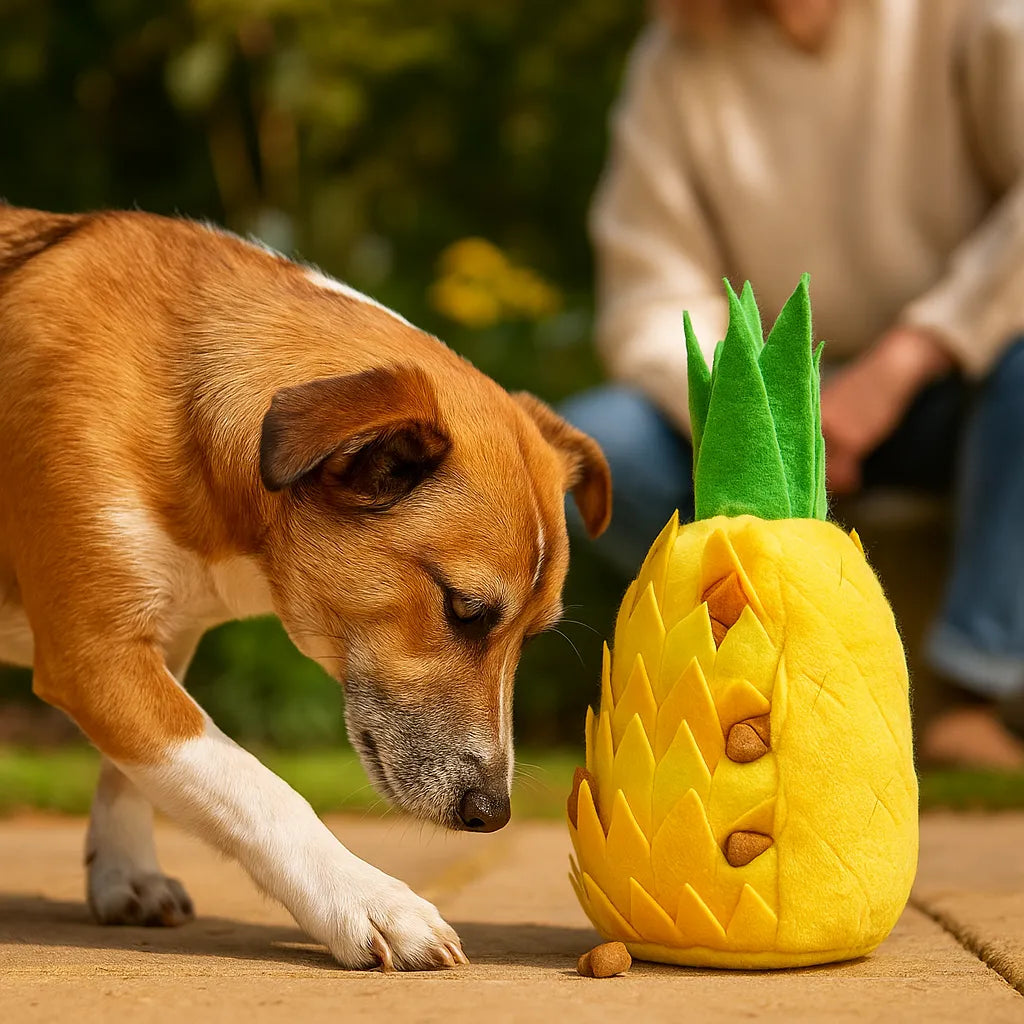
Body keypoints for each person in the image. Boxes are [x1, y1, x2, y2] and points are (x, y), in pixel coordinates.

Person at [562, 0, 1024, 768]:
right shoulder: (675, 63)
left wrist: (912, 354)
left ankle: (967, 694)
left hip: (964, 380)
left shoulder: (976, 15)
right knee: (594, 452)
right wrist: (760, 415)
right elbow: (651, 294)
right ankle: (796, 684)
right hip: (775, 407)